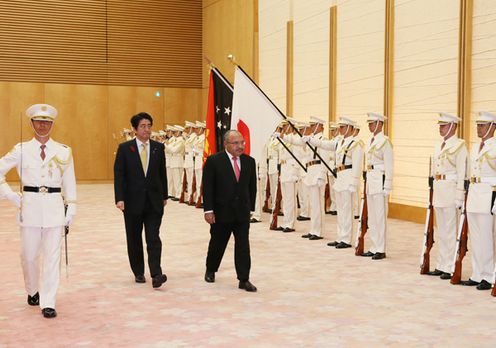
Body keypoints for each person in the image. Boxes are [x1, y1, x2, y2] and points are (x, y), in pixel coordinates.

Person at [0, 104, 76, 319]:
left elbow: (70, 182)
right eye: (38, 121)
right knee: (29, 256)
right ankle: (32, 290)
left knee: (52, 257)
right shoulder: (21, 150)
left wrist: (71, 208)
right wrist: (11, 196)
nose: (43, 125)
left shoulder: (63, 151)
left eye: (47, 121)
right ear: (31, 123)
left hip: (54, 208)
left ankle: (48, 301)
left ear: (52, 124)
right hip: (30, 209)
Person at [114, 112, 168, 289]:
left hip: (153, 201)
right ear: (135, 129)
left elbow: (162, 174)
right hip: (132, 202)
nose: (147, 129)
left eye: (149, 126)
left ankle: (156, 274)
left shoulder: (158, 148)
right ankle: (138, 271)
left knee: (153, 237)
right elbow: (119, 175)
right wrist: (120, 198)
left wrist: (164, 196)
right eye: (143, 126)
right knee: (134, 238)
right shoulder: (125, 148)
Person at [203, 130, 258, 292]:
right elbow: (208, 188)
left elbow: (252, 187)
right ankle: (211, 269)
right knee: (217, 243)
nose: (240, 146)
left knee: (243, 246)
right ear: (226, 144)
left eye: (242, 143)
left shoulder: (249, 161)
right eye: (236, 143)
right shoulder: (214, 161)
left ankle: (244, 279)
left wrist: (251, 208)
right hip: (221, 211)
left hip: (242, 212)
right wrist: (208, 210)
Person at [462, 111, 496, 290]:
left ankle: (489, 276)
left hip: (488, 195)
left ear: (492, 127)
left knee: (486, 237)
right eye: (477, 125)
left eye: (482, 125)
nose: (478, 128)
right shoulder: (475, 147)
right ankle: (477, 273)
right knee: (474, 237)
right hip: (474, 194)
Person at [361, 112, 394, 260]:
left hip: (380, 180)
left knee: (380, 216)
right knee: (372, 217)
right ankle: (374, 246)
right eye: (369, 123)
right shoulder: (369, 141)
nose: (370, 125)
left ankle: (381, 248)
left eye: (372, 123)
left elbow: (389, 165)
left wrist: (388, 185)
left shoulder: (385, 142)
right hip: (370, 179)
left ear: (380, 124)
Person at [328, 117, 364, 249]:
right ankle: (340, 237)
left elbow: (357, 165)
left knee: (347, 210)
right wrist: (309, 140)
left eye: (342, 127)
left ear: (349, 128)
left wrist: (354, 183)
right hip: (340, 178)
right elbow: (326, 145)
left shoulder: (356, 143)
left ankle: (346, 239)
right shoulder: (339, 142)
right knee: (340, 210)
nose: (340, 129)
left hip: (348, 178)